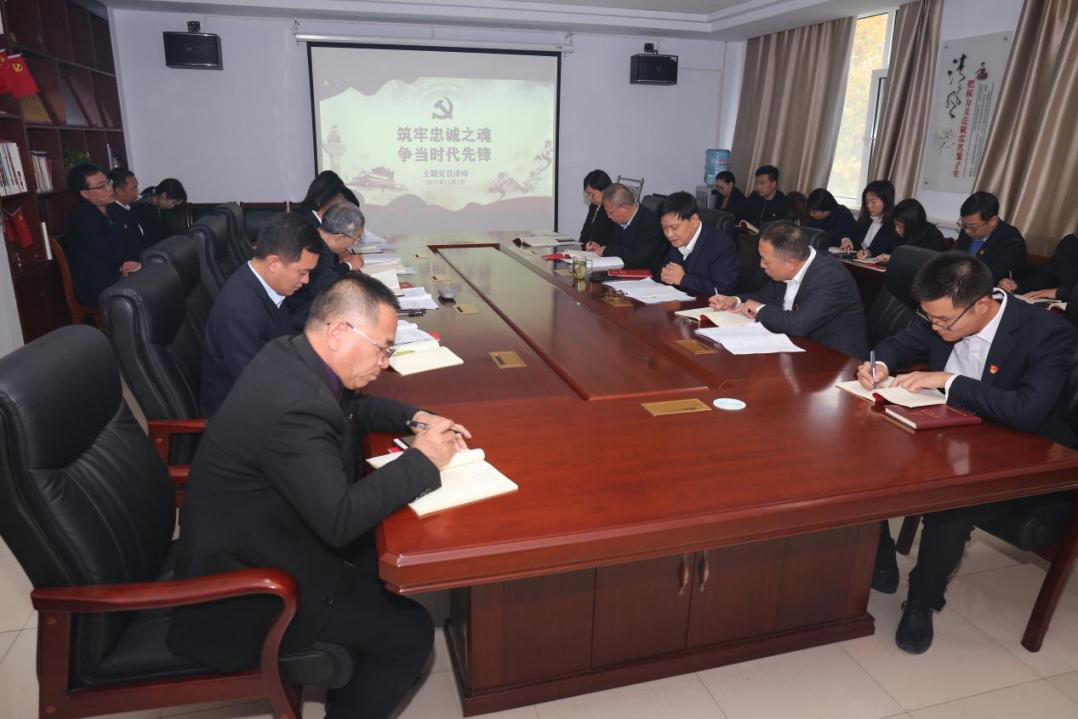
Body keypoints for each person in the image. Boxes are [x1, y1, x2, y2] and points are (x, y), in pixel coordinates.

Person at [170, 273, 468, 719]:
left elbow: (351, 408)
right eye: (382, 348)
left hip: (262, 536)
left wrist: (415, 418)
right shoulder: (295, 407)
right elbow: (340, 520)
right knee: (410, 633)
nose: (384, 363)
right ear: (338, 331)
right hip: (254, 589)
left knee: (382, 554)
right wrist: (423, 460)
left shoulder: (290, 355)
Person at [859, 252, 1076, 654]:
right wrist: (879, 365)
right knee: (861, 462)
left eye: (944, 321)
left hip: (1022, 457)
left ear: (982, 305)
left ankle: (922, 601)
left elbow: (1027, 411)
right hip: (952, 436)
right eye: (930, 319)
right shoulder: (942, 317)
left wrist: (948, 380)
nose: (935, 327)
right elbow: (898, 343)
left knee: (951, 505)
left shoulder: (1046, 332)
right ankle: (882, 560)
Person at [201, 213, 320, 415]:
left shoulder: (261, 284)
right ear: (273, 263)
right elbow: (259, 388)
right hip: (241, 417)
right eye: (302, 272)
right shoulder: (242, 312)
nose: (306, 280)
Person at [709, 220, 868, 358]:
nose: (761, 265)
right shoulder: (786, 269)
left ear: (790, 263)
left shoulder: (830, 277)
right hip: (795, 349)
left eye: (765, 260)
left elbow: (797, 325)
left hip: (835, 361)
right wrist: (735, 301)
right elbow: (763, 297)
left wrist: (759, 309)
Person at [64, 163, 141, 308]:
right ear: (85, 193)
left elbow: (135, 240)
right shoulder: (82, 217)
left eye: (108, 182)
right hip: (97, 282)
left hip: (121, 270)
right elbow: (107, 251)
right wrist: (127, 261)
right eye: (101, 186)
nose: (109, 188)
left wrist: (133, 261)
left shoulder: (115, 209)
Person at [285, 202, 367, 329]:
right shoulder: (314, 251)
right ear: (339, 237)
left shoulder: (313, 236)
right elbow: (330, 288)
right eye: (355, 240)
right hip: (302, 319)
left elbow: (326, 273)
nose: (352, 245)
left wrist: (346, 266)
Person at [656, 191, 739, 295]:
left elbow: (724, 291)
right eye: (664, 228)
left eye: (674, 227)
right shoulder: (677, 239)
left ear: (694, 220)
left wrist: (684, 279)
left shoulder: (721, 246)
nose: (669, 234)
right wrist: (664, 275)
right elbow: (662, 269)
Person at [586, 183, 666, 274]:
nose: (608, 216)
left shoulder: (650, 223)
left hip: (643, 276)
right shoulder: (620, 220)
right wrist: (599, 248)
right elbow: (617, 247)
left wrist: (606, 250)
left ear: (624, 207)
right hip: (621, 272)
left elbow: (639, 260)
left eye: (610, 213)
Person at [953, 191, 1026, 283]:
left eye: (973, 226)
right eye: (964, 225)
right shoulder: (967, 230)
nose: (967, 231)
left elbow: (988, 277)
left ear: (993, 221)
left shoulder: (1011, 241)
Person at [999, 232, 1078, 302]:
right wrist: (1016, 286)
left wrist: (1061, 293)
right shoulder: (1071, 241)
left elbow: (1059, 291)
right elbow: (1049, 278)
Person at [871, 198, 946, 264]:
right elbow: (884, 249)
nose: (896, 229)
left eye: (900, 226)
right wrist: (869, 252)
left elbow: (926, 264)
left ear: (912, 225)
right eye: (895, 224)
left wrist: (894, 258)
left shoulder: (934, 237)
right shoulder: (899, 233)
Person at [841, 180, 897, 258]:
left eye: (874, 202)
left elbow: (890, 252)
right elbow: (851, 234)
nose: (869, 206)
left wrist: (869, 253)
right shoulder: (865, 218)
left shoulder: (895, 225)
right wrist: (846, 239)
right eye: (867, 202)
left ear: (886, 201)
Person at [133, 178, 186, 246]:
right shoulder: (145, 209)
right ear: (164, 195)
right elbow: (159, 236)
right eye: (173, 202)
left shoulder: (157, 204)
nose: (173, 206)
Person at [106, 167, 149, 253]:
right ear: (119, 191)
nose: (137, 192)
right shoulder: (113, 213)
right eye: (133, 189)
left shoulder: (131, 208)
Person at [579, 169, 619, 248]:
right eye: (587, 194)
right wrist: (584, 245)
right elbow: (585, 232)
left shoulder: (614, 209)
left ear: (604, 191)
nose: (590, 198)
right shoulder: (594, 205)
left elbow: (611, 239)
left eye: (592, 194)